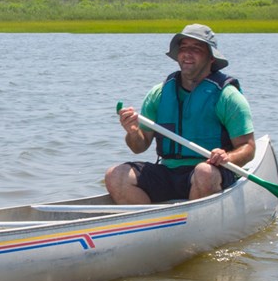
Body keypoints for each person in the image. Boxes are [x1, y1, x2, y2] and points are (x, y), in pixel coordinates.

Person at [106, 24, 254, 203]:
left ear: (211, 58)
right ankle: (153, 226)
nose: (187, 54)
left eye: (196, 48)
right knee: (116, 175)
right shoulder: (158, 94)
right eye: (183, 48)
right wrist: (132, 131)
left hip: (212, 172)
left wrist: (227, 157)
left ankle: (195, 225)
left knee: (203, 172)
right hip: (168, 172)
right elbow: (139, 147)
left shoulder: (228, 96)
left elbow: (248, 148)